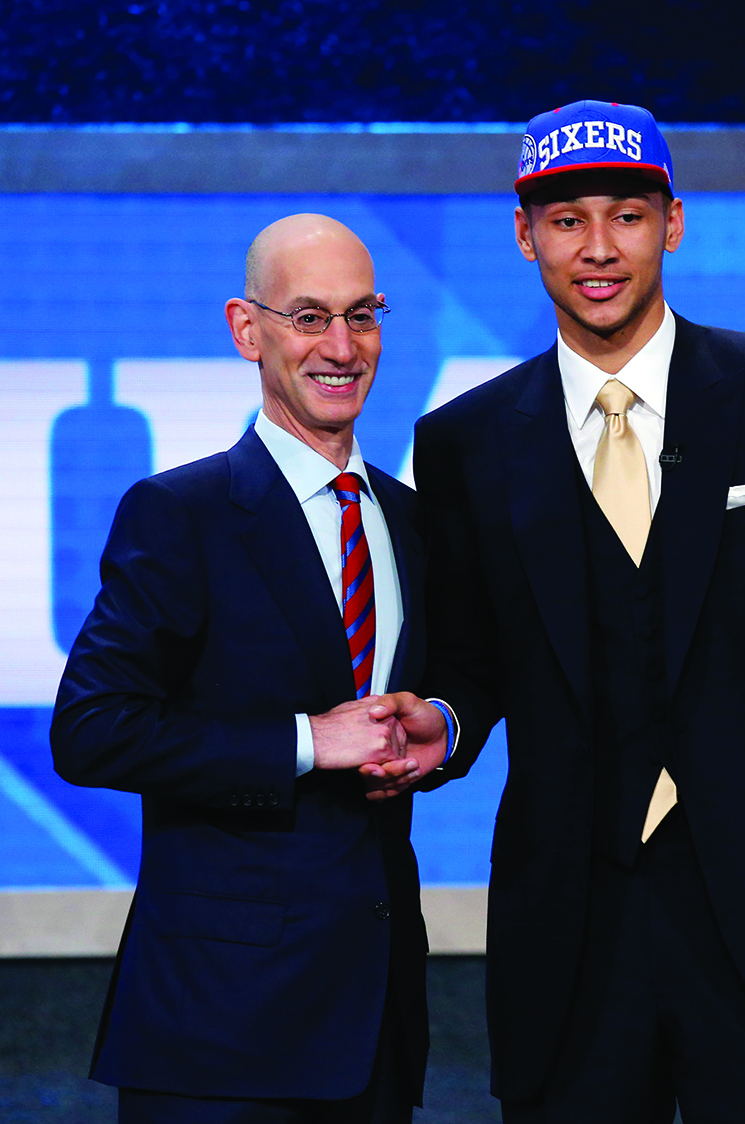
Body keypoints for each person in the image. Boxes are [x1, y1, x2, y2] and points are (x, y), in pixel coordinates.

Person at [405, 101, 745, 1123]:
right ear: (524, 235)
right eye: (566, 220)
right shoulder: (466, 442)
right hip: (567, 930)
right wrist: (438, 722)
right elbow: (475, 664)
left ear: (674, 222)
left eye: (626, 213)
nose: (598, 247)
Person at [50, 213, 449, 1124]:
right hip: (220, 1031)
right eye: (309, 318)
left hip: (376, 1020)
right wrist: (311, 741)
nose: (342, 347)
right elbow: (90, 730)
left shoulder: (409, 519)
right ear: (247, 328)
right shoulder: (179, 514)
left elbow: (433, 705)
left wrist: (439, 734)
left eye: (363, 315)